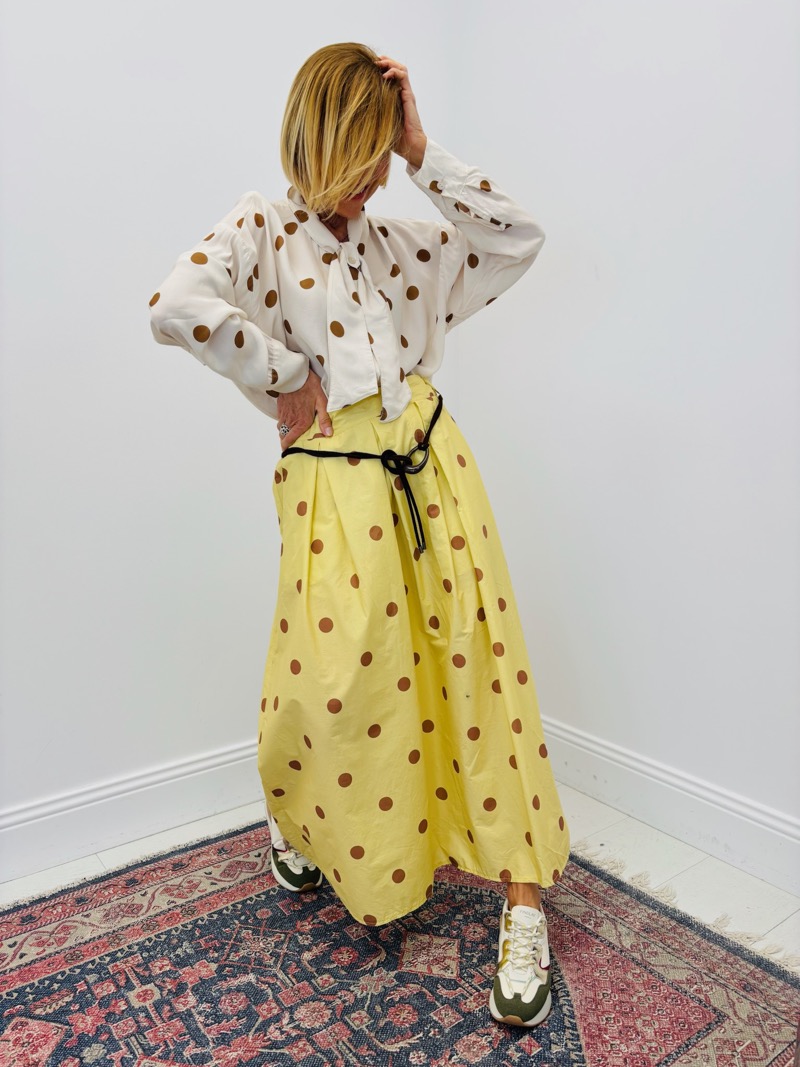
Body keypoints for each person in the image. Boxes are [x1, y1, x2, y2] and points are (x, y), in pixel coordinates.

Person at [150, 42, 570, 1029]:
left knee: (480, 665)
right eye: (368, 154)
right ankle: (302, 816)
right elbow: (174, 305)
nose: (376, 176)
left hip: (432, 462)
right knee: (335, 682)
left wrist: (424, 151)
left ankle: (522, 900)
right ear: (322, 140)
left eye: (384, 156)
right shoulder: (262, 227)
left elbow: (518, 240)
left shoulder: (400, 243)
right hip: (332, 486)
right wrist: (284, 375)